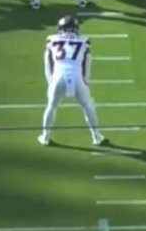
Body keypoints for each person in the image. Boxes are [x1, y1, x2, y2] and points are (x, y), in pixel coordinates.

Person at [39, 15, 106, 147]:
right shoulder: (84, 40)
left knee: (51, 106)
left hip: (58, 76)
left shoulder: (51, 39)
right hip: (77, 77)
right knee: (88, 106)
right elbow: (88, 61)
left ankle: (45, 137)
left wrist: (50, 81)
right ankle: (96, 137)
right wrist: (86, 79)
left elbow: (47, 61)